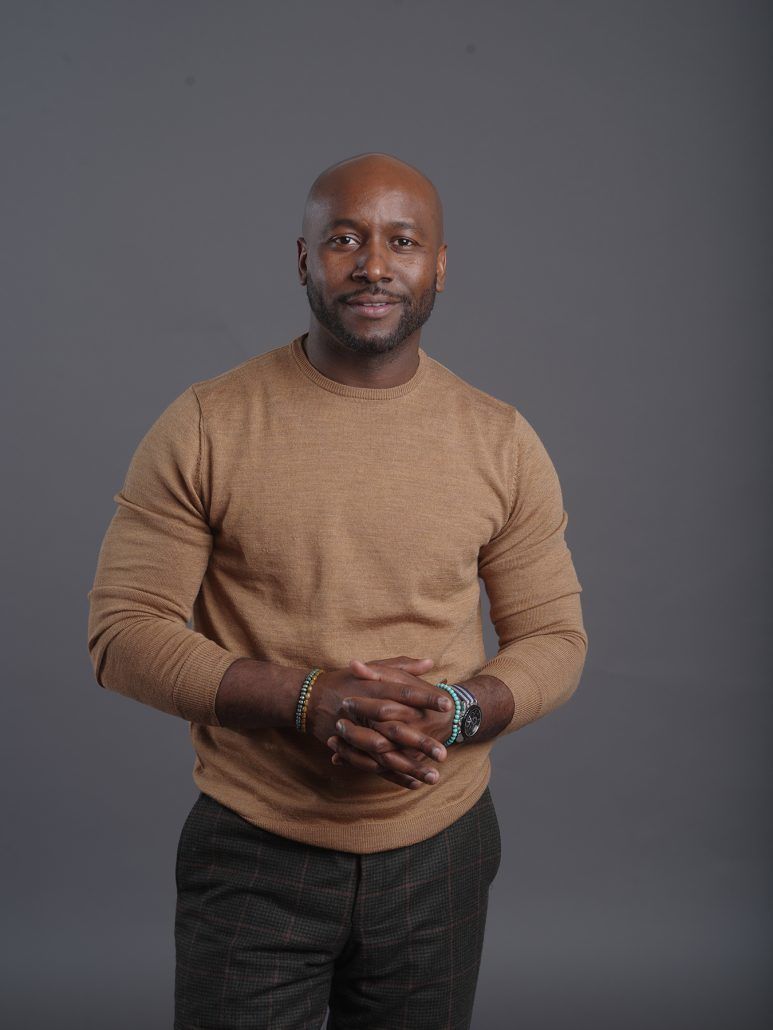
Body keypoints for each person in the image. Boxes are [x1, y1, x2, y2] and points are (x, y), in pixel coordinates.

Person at [87, 151, 588, 1030]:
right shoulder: (206, 424)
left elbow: (555, 638)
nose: (373, 265)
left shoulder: (501, 441)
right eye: (345, 239)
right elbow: (122, 633)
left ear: (439, 265)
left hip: (442, 852)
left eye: (403, 241)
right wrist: (306, 697)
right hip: (255, 850)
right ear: (303, 258)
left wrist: (456, 712)